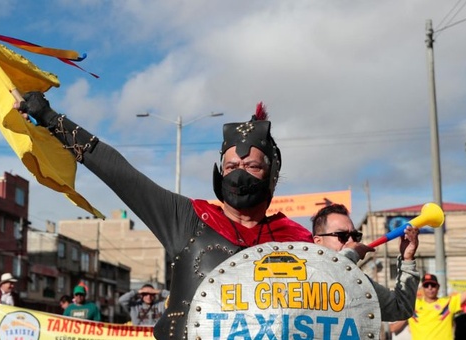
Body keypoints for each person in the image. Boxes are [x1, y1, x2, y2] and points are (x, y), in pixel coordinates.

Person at [16, 93, 313, 338]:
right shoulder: (188, 220)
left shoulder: (297, 243)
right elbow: (119, 173)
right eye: (231, 166)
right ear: (219, 173)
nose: (239, 174)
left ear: (271, 176)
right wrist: (50, 118)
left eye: (252, 167)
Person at [311, 203, 420, 322]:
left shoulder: (359, 281)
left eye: (355, 236)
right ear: (318, 241)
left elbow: (401, 308)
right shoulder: (303, 274)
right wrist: (351, 253)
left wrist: (407, 259)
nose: (351, 241)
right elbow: (328, 275)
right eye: (342, 235)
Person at [390, 265, 466, 340]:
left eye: (433, 285)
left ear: (438, 287)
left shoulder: (448, 303)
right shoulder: (413, 306)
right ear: (422, 288)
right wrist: (406, 316)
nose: (430, 288)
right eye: (426, 285)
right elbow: (393, 329)